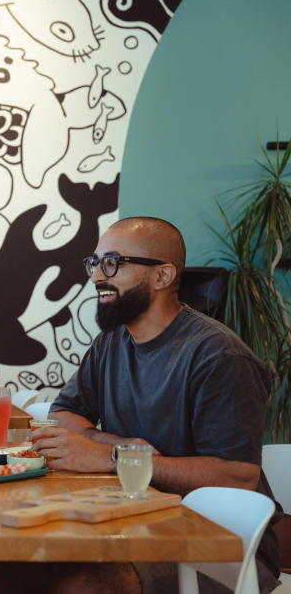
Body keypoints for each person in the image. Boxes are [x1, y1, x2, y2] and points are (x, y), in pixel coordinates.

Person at [30, 217, 282, 594]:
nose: (96, 276)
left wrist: (114, 459)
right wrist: (121, 446)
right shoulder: (111, 342)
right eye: (94, 263)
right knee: (20, 563)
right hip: (139, 520)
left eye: (112, 263)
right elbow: (63, 414)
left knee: (85, 582)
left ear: (162, 276)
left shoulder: (219, 356)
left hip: (223, 545)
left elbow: (236, 477)